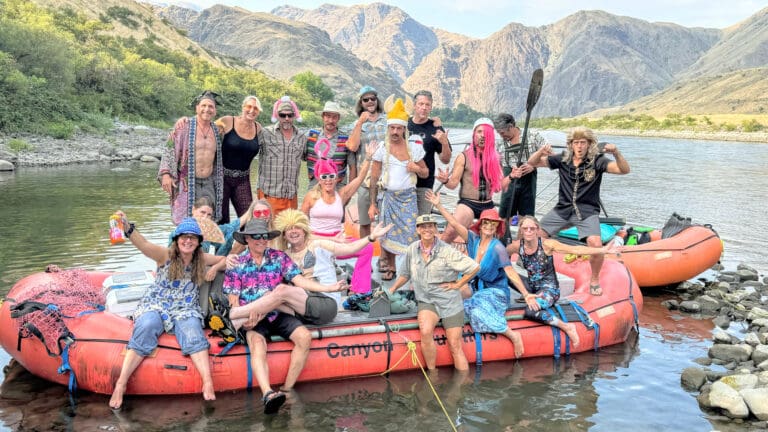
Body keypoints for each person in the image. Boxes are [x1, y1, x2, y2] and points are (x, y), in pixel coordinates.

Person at [221, 218, 345, 414]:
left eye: (264, 237)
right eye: (256, 237)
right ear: (247, 240)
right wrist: (245, 322)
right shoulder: (237, 264)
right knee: (257, 344)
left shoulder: (279, 257)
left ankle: (287, 389)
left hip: (278, 312)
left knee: (304, 337)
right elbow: (233, 299)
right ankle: (268, 393)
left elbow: (300, 281)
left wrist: (329, 288)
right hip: (252, 317)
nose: (261, 240)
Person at [108, 215, 224, 409]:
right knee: (146, 326)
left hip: (185, 306)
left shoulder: (201, 258)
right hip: (157, 302)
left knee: (193, 332)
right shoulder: (165, 255)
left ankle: (208, 382)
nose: (188, 241)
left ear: (198, 242)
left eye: (192, 238)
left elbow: (224, 259)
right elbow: (143, 245)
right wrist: (127, 227)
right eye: (184, 237)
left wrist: (215, 269)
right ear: (177, 239)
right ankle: (121, 383)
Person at [527, 126, 630, 295]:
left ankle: (594, 279)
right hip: (563, 209)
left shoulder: (598, 161)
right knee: (536, 233)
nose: (580, 146)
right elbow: (532, 162)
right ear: (571, 145)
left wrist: (617, 153)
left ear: (589, 144)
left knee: (595, 243)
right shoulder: (563, 159)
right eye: (576, 143)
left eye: (583, 143)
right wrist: (541, 151)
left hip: (586, 211)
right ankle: (540, 271)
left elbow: (624, 170)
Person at [427, 191, 525, 358]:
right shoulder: (473, 239)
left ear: (496, 227)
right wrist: (438, 205)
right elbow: (454, 223)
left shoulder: (497, 248)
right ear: (480, 225)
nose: (488, 226)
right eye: (485, 223)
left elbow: (510, 272)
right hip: (475, 287)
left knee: (475, 311)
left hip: (495, 292)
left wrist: (526, 293)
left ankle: (512, 335)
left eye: (492, 224)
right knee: (453, 298)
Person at [388, 214, 480, 371]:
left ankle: (461, 387)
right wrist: (391, 289)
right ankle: (432, 372)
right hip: (427, 301)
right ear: (417, 229)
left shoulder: (447, 250)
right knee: (425, 331)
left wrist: (458, 284)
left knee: (455, 345)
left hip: (450, 303)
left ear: (436, 229)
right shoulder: (412, 249)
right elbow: (405, 275)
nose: (427, 230)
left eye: (430, 226)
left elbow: (475, 267)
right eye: (423, 227)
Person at [510, 216, 620, 346]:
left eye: (532, 228)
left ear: (537, 230)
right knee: (504, 273)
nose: (528, 231)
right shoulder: (517, 246)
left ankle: (567, 327)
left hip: (549, 289)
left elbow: (575, 249)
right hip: (531, 286)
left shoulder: (547, 244)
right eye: (525, 228)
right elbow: (498, 254)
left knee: (530, 312)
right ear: (521, 230)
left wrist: (602, 250)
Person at [301, 139, 378, 297]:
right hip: (317, 243)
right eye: (324, 177)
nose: (328, 180)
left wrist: (369, 158)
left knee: (367, 248)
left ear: (336, 177)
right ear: (319, 179)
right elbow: (301, 223)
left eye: (331, 176)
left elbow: (359, 179)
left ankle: (359, 290)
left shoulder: (341, 194)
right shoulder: (311, 196)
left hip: (339, 242)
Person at [274, 209, 392, 308]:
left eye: (297, 228)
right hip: (301, 299)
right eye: (289, 229)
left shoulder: (318, 246)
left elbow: (350, 248)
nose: (293, 231)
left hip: (326, 298)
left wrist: (371, 237)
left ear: (304, 231)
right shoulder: (284, 256)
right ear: (284, 235)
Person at [368, 98, 429, 281]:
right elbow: (373, 177)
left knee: (411, 232)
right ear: (388, 128)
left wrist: (416, 169)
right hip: (388, 197)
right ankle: (392, 267)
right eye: (392, 128)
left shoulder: (413, 148)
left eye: (399, 128)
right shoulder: (382, 148)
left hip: (408, 197)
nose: (395, 131)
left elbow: (425, 173)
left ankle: (411, 269)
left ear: (404, 129)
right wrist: (372, 204)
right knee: (388, 233)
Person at [158, 90, 224, 224]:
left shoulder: (218, 131)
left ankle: (203, 244)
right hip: (187, 181)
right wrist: (166, 174)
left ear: (215, 111)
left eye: (210, 106)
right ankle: (182, 244)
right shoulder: (184, 126)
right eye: (203, 106)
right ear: (197, 108)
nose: (207, 109)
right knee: (184, 219)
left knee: (207, 218)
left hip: (209, 182)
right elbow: (169, 148)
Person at [435, 118, 504, 243]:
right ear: (474, 134)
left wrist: (511, 177)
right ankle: (435, 258)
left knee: (496, 237)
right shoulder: (463, 157)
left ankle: (485, 261)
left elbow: (498, 188)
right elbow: (453, 185)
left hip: (488, 204)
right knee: (450, 231)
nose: (482, 136)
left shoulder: (497, 158)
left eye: (486, 133)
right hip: (468, 204)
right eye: (479, 132)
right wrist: (445, 180)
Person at [346, 86, 388, 242]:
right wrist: (360, 123)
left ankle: (386, 256)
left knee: (387, 219)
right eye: (366, 99)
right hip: (365, 178)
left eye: (373, 98)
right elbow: (352, 146)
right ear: (361, 103)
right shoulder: (355, 124)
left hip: (386, 177)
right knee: (364, 221)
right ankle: (365, 254)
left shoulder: (388, 120)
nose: (370, 102)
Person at [214, 95, 263, 223]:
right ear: (243, 107)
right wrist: (187, 121)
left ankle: (244, 243)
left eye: (256, 108)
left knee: (249, 219)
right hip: (222, 177)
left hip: (243, 179)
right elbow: (205, 128)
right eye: (249, 106)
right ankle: (223, 243)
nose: (252, 110)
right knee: (221, 219)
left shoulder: (259, 129)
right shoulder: (228, 121)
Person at [493, 113, 545, 232]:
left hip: (528, 183)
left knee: (526, 220)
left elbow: (551, 157)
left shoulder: (533, 137)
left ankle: (522, 245)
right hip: (509, 181)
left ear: (511, 127)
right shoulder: (499, 143)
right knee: (504, 218)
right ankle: (504, 243)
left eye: (502, 133)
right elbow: (496, 166)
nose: (501, 136)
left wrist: (533, 165)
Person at [257, 96, 307, 215]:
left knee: (290, 232)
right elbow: (247, 150)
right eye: (282, 115)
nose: (286, 118)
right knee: (268, 232)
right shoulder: (265, 133)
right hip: (268, 196)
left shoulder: (302, 137)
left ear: (294, 116)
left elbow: (310, 159)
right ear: (277, 115)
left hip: (291, 197)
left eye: (290, 115)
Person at [408, 90, 452, 215]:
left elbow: (445, 159)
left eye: (427, 105)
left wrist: (444, 143)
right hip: (404, 181)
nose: (424, 108)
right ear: (414, 105)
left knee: (422, 221)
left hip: (424, 184)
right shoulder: (405, 124)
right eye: (421, 104)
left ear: (431, 107)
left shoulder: (435, 127)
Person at [306, 101, 354, 188]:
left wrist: (349, 191)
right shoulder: (311, 135)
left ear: (338, 118)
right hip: (315, 184)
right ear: (323, 117)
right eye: (328, 116)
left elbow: (352, 166)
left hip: (338, 184)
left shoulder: (346, 139)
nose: (331, 121)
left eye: (334, 117)